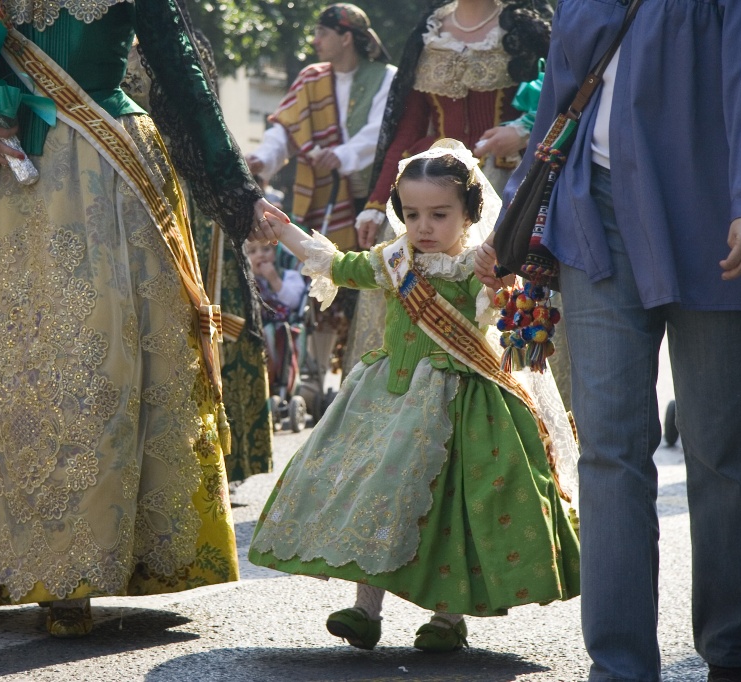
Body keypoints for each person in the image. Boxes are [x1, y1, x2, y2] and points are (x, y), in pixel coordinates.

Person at [0, 0, 286, 638]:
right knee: (3, 371)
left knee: (97, 366)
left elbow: (184, 77)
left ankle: (80, 568)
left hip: (107, 175)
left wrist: (239, 194)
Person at [477, 1, 741, 681]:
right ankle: (619, 667)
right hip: (599, 215)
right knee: (611, 450)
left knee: (720, 451)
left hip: (717, 220)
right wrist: (510, 221)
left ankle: (736, 655)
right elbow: (562, 95)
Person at [249, 140, 580, 653]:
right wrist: (285, 228)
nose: (423, 226)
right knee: (375, 494)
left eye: (439, 214)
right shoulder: (392, 260)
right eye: (412, 213)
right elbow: (336, 264)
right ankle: (365, 610)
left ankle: (448, 620)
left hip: (462, 406)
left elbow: (501, 311)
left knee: (454, 507)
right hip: (389, 397)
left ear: (470, 214)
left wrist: (502, 280)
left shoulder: (480, 266)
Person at [343, 0, 553, 381]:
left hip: (510, 192)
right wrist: (376, 204)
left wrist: (521, 132)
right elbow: (404, 131)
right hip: (432, 196)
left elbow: (560, 102)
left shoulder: (526, 29)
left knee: (504, 298)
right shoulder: (429, 33)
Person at [122, 33, 275, 483]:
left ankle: (217, 452)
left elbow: (203, 119)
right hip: (120, 186)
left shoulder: (179, 40)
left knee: (199, 314)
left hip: (182, 194)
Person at [247, 3, 396, 248]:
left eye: (323, 33)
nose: (315, 41)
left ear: (346, 37)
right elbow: (286, 130)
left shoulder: (386, 77)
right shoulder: (310, 78)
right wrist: (262, 159)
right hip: (327, 198)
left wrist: (340, 155)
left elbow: (380, 131)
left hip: (373, 200)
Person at [245, 240, 306, 381]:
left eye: (266, 249)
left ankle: (279, 377)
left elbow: (294, 302)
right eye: (252, 252)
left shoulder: (289, 276)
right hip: (256, 324)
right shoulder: (245, 280)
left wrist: (274, 280)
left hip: (282, 324)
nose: (260, 255)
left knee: (273, 332)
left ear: (274, 254)